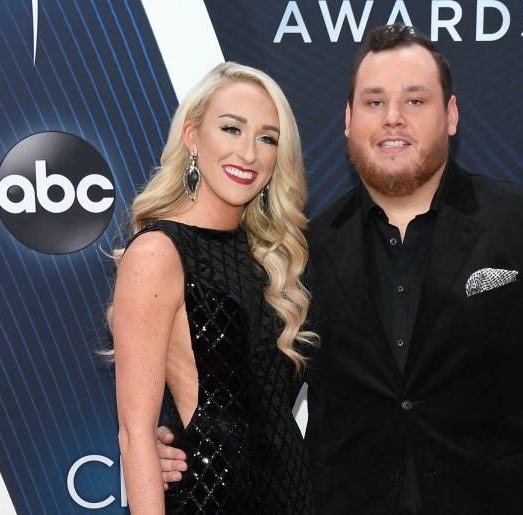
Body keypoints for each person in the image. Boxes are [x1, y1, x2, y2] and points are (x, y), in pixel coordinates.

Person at [159, 25, 523, 514]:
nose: (393, 119)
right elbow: (257, 392)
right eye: (374, 102)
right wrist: (172, 440)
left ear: (451, 115)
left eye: (416, 100)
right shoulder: (302, 251)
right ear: (348, 119)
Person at [110, 61, 317, 514]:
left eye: (267, 138)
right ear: (191, 136)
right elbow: (135, 433)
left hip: (293, 498)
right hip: (212, 501)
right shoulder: (158, 253)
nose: (248, 153)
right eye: (231, 129)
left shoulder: (276, 260)